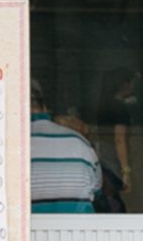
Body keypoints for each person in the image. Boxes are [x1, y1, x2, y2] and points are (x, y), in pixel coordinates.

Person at [29, 81, 102, 214]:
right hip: (80, 230)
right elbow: (97, 191)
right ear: (45, 108)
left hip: (31, 231)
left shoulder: (11, 146)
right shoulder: (79, 141)